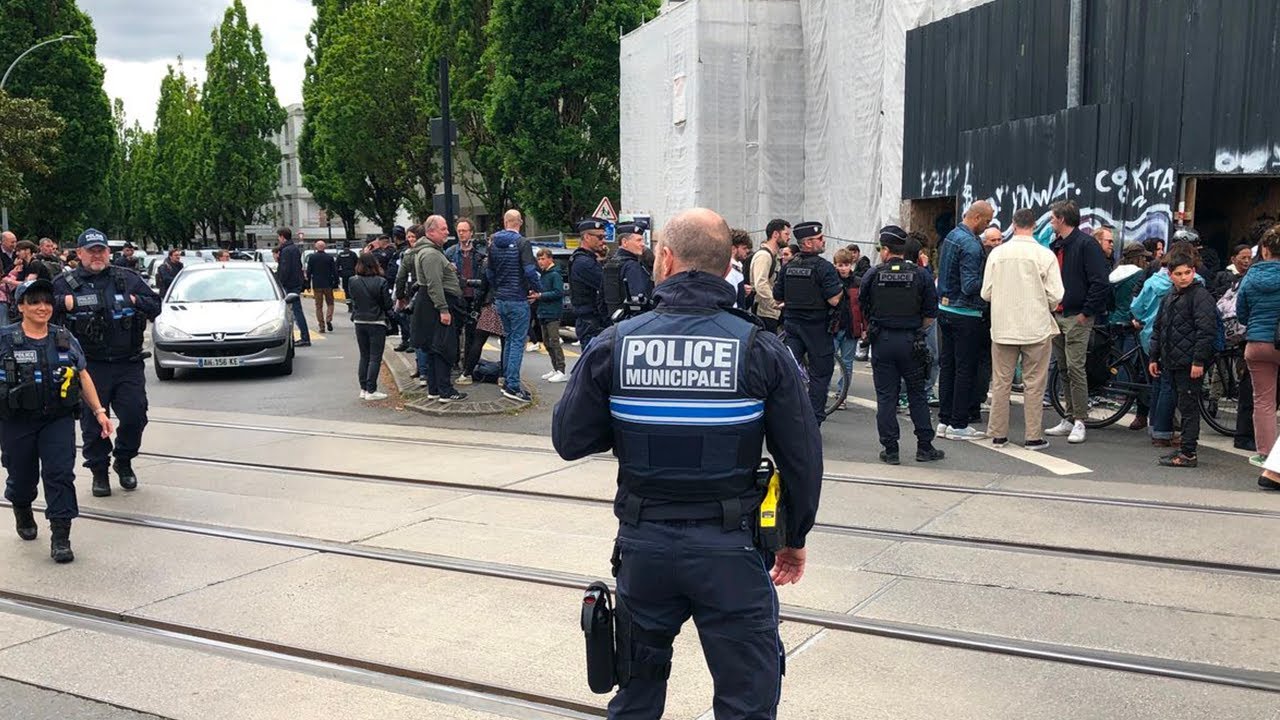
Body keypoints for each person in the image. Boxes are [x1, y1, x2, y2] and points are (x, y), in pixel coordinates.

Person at [551, 207, 821, 720]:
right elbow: (802, 458)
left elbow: (569, 439)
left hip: (644, 547)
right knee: (747, 701)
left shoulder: (617, 342)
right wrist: (795, 538)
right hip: (732, 550)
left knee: (635, 696)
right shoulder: (762, 347)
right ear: (727, 266)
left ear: (666, 258)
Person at [3, 279, 114, 563]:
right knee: (22, 476)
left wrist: (99, 411)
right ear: (21, 307)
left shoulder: (63, 337)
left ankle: (60, 536)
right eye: (34, 302)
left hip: (58, 418)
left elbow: (83, 374)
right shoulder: (4, 339)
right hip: (16, 421)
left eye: (47, 302)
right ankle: (22, 506)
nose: (42, 308)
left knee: (60, 474)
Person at [51, 228, 161, 498]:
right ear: (79, 254)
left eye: (101, 250)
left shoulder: (128, 278)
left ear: (108, 253)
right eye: (91, 251)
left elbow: (155, 305)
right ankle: (99, 470)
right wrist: (64, 303)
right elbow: (38, 310)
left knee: (136, 415)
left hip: (128, 362)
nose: (97, 255)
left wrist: (133, 300)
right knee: (92, 423)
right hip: (89, 366)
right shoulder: (64, 283)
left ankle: (124, 458)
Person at [859, 226, 945, 464]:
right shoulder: (921, 274)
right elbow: (930, 312)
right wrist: (916, 329)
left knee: (886, 397)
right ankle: (924, 447)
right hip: (911, 341)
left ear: (886, 250)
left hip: (883, 341)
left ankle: (891, 449)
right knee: (917, 394)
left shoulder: (873, 274)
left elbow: (863, 305)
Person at [980, 208, 1064, 450]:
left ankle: (998, 434)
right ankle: (1032, 436)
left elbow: (986, 292)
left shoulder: (997, 254)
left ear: (1013, 225)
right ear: (1034, 226)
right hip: (1035, 326)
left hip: (1004, 326)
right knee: (1034, 384)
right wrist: (1043, 302)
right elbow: (1056, 294)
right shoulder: (1044, 254)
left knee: (1001, 382)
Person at [1044, 200, 1111, 444]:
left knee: (1075, 367)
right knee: (1063, 367)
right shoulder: (1058, 245)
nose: (1051, 222)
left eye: (1052, 218)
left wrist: (1086, 312)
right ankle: (1069, 416)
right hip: (1060, 313)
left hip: (1076, 315)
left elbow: (1099, 281)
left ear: (1062, 219)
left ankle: (1080, 419)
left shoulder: (1085, 245)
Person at [1147, 250, 1218, 468]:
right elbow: (1159, 329)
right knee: (1183, 404)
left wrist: (1198, 361)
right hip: (1173, 361)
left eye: (1187, 272)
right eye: (1178, 273)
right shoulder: (1170, 296)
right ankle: (1186, 449)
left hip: (1188, 363)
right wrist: (1154, 357)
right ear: (1170, 275)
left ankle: (1188, 453)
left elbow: (1206, 331)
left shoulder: (1200, 296)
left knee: (1188, 407)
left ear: (1194, 272)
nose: (1183, 277)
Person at [936, 200, 994, 441]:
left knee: (948, 367)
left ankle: (944, 420)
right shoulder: (971, 244)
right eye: (988, 221)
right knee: (965, 369)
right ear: (978, 218)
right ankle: (959, 423)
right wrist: (993, 280)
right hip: (966, 314)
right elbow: (970, 285)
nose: (987, 226)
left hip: (945, 309)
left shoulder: (952, 235)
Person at [774, 221, 842, 424]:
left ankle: (789, 418)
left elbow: (778, 297)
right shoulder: (824, 268)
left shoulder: (789, 266)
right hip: (817, 329)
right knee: (820, 376)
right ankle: (813, 420)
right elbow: (834, 300)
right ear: (809, 243)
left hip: (793, 327)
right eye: (820, 238)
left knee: (789, 373)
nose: (824, 241)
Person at [1236, 224, 1280, 469]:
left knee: (1263, 401)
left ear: (1264, 250)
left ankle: (1265, 454)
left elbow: (1241, 313)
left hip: (1258, 343)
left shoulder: (1251, 276)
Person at [487, 209, 540, 403]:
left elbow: (490, 273)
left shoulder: (493, 244)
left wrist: (498, 288)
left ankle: (507, 380)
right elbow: (529, 270)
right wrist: (537, 289)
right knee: (518, 341)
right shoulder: (522, 243)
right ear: (520, 222)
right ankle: (513, 385)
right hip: (518, 298)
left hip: (500, 298)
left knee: (508, 339)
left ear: (504, 221)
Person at [411, 215, 466, 403]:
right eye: (443, 229)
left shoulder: (429, 251)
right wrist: (443, 310)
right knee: (443, 348)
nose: (447, 232)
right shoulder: (431, 254)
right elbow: (434, 284)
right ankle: (445, 390)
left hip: (429, 304)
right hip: (436, 305)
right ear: (431, 231)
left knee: (434, 348)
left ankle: (434, 389)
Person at [347, 253, 394, 401]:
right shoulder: (381, 281)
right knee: (375, 357)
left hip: (359, 321)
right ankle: (371, 389)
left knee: (364, 356)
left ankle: (363, 388)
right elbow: (387, 304)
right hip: (376, 321)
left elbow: (353, 300)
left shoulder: (352, 281)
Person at [445, 218, 486, 375]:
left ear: (471, 233)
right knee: (454, 331)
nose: (461, 233)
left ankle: (468, 365)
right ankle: (454, 362)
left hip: (474, 297)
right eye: (459, 231)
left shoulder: (480, 254)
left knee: (472, 333)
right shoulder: (450, 253)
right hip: (457, 297)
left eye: (464, 230)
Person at [570, 218, 610, 350]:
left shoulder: (589, 259)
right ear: (587, 237)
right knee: (594, 367)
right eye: (599, 237)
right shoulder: (584, 262)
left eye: (604, 236)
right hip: (591, 323)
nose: (603, 240)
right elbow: (607, 284)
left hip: (592, 322)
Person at [603, 219, 654, 319]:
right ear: (625, 242)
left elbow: (601, 300)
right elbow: (640, 303)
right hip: (631, 322)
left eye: (642, 240)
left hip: (613, 322)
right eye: (638, 240)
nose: (643, 244)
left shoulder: (610, 264)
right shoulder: (632, 266)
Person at [830, 247, 862, 409]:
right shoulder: (831, 281)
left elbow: (862, 307)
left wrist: (864, 328)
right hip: (833, 326)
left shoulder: (858, 282)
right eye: (840, 265)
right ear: (835, 265)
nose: (843, 268)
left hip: (851, 327)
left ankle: (842, 395)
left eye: (846, 264)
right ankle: (823, 390)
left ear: (851, 265)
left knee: (847, 363)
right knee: (829, 359)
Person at [534, 248, 567, 383]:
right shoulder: (544, 274)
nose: (540, 262)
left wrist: (541, 295)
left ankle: (561, 370)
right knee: (547, 342)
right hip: (543, 311)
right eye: (539, 259)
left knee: (554, 341)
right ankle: (555, 368)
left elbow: (558, 292)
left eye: (543, 259)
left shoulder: (555, 274)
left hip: (553, 312)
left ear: (550, 259)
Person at [750, 219, 788, 332]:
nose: (789, 237)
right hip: (765, 313)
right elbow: (760, 284)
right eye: (786, 234)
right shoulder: (764, 256)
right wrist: (774, 303)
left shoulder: (772, 256)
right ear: (776, 234)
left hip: (771, 313)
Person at [275, 228, 311, 347]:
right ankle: (303, 336)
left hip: (289, 285)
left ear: (282, 237)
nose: (278, 240)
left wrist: (279, 283)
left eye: (278, 237)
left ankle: (304, 337)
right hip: (295, 283)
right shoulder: (294, 249)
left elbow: (285, 269)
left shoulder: (286, 250)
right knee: (295, 311)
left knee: (295, 311)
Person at [306, 240, 339, 332]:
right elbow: (334, 271)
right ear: (325, 247)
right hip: (328, 284)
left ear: (316, 247)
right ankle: (328, 319)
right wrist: (336, 283)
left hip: (317, 284)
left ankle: (321, 326)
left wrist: (308, 284)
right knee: (330, 303)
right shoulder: (329, 258)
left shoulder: (312, 258)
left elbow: (309, 272)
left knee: (318, 306)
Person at [726, 230, 752, 310]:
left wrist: (741, 290)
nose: (747, 251)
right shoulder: (729, 270)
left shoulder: (737, 267)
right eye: (744, 248)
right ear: (733, 249)